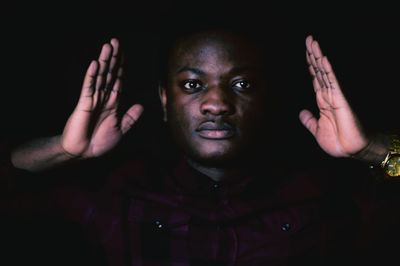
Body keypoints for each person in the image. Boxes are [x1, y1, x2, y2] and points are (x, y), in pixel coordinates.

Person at [1, 25, 399, 265]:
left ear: (266, 99)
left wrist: (373, 151)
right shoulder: (115, 195)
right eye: (192, 84)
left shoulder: (326, 196)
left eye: (241, 85)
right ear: (164, 99)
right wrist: (62, 151)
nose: (217, 103)